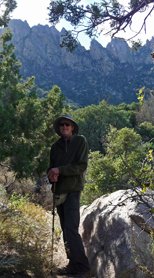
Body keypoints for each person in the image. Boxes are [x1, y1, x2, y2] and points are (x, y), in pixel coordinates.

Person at [47, 114, 91, 277]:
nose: (64, 126)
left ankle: (82, 265)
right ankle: (72, 263)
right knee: (65, 229)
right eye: (61, 125)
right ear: (58, 129)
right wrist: (51, 175)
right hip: (59, 191)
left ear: (73, 127)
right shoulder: (55, 147)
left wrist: (60, 170)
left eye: (67, 124)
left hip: (73, 190)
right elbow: (51, 168)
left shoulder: (81, 142)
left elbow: (81, 166)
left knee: (71, 228)